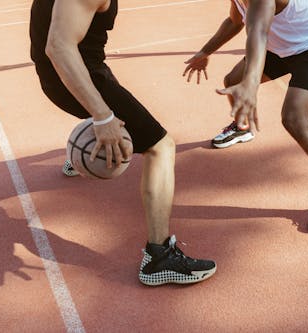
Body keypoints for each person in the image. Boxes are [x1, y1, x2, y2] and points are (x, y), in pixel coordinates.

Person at [29, 0, 216, 285]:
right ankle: (159, 256)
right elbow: (58, 47)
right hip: (76, 72)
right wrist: (102, 116)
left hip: (62, 75)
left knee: (117, 106)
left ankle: (81, 153)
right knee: (161, 146)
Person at [183, 0, 308, 232]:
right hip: (280, 48)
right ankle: (242, 127)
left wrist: (251, 83)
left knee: (294, 120)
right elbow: (235, 22)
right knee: (233, 80)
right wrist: (206, 51)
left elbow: (258, 31)